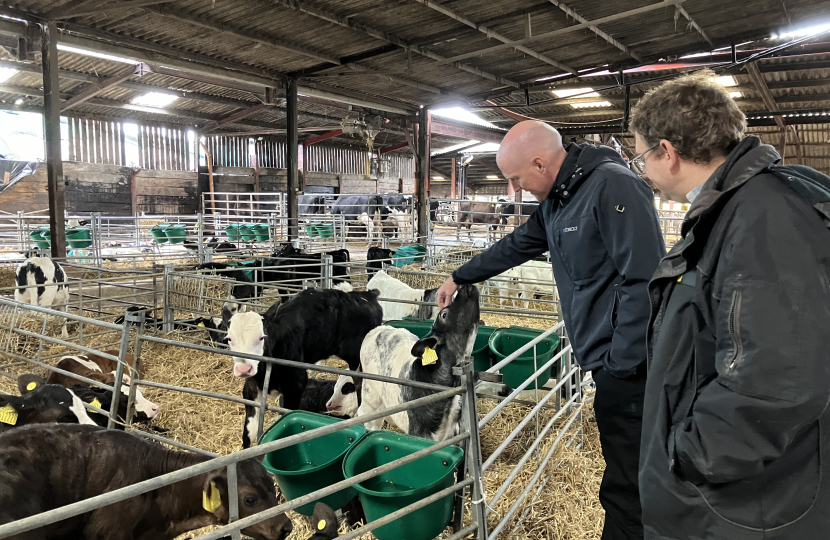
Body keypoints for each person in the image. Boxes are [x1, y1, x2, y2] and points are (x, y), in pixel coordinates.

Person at [436, 121, 665, 540]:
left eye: (516, 178)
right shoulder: (561, 198)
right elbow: (518, 243)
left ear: (540, 163)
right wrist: (460, 275)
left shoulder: (613, 187)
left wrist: (623, 362)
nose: (517, 188)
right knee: (624, 471)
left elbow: (646, 279)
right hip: (605, 358)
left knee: (629, 482)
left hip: (632, 367)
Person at [631, 72, 830, 540]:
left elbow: (777, 377)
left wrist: (691, 456)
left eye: (642, 156)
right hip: (745, 490)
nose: (642, 169)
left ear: (668, 152)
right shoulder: (739, 207)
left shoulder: (763, 217)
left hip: (746, 502)